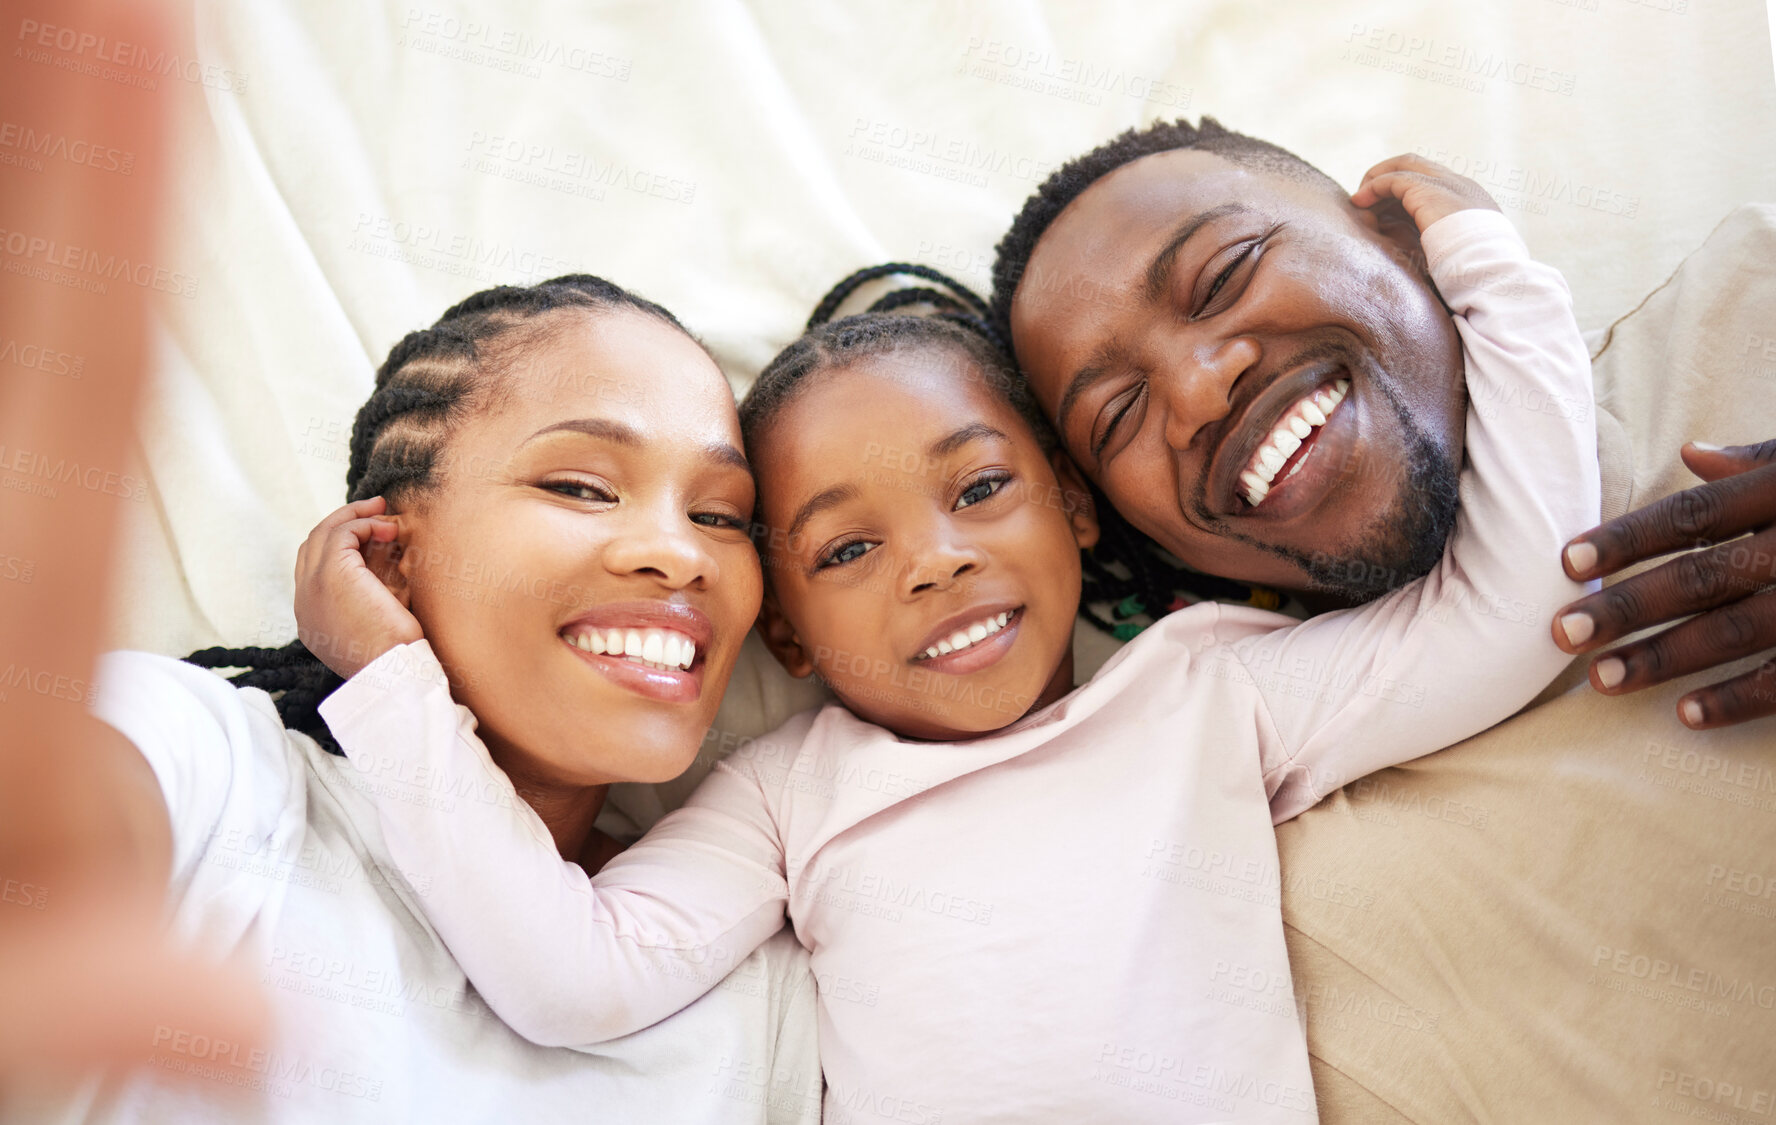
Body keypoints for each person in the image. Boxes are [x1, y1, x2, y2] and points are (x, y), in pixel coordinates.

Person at [299, 159, 1598, 1121]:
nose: (937, 560)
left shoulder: (1201, 694)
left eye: (981, 490)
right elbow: (569, 978)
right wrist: (397, 683)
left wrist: (1486, 267)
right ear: (790, 638)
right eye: (847, 552)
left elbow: (1514, 608)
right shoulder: (783, 796)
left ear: (1076, 512)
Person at [992, 116, 1776, 1120]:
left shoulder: (1746, 302)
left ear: (1401, 235)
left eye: (1224, 274)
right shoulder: (1217, 826)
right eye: (1117, 416)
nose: (1196, 388)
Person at [11, 276, 822, 1124]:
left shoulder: (759, 964)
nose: (680, 553)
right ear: (389, 559)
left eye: (723, 517)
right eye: (580, 487)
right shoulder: (214, 766)